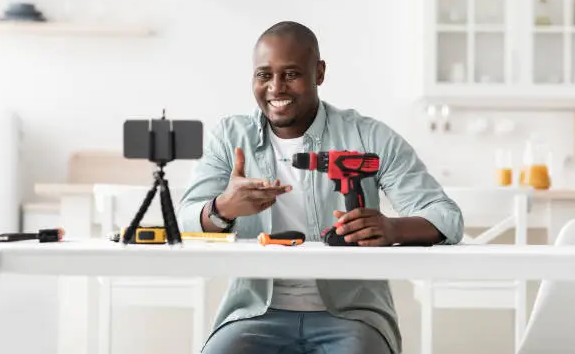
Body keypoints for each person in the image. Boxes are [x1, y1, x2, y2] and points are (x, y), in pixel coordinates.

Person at [177, 20, 464, 354]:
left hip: (353, 317)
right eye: (264, 75)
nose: (276, 88)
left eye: (291, 74)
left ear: (320, 73)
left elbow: (446, 217)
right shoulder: (230, 138)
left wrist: (391, 227)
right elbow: (183, 220)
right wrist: (222, 208)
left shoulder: (368, 136)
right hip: (254, 315)